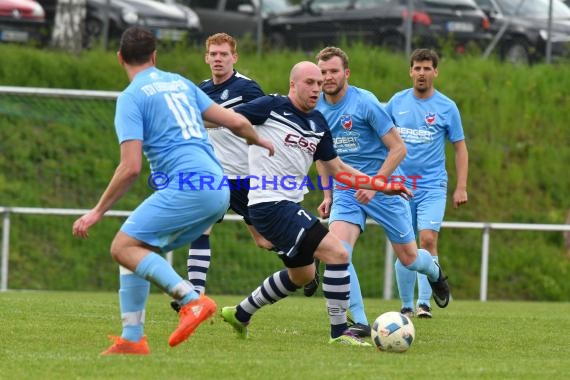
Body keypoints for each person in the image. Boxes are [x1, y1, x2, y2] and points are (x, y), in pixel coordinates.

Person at [72, 26, 274, 355]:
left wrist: (97, 211)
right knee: (136, 247)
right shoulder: (180, 83)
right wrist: (260, 140)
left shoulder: (132, 97)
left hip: (188, 185)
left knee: (122, 246)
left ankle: (191, 300)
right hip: (216, 185)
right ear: (154, 56)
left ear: (120, 58)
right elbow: (235, 122)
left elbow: (130, 167)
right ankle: (133, 337)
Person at [220, 61, 413, 346]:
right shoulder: (271, 106)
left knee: (302, 274)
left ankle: (240, 313)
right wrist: (188, 124)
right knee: (337, 251)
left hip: (286, 205)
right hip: (269, 204)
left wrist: (382, 185)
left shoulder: (318, 123)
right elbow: (223, 118)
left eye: (319, 84)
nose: (316, 88)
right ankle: (339, 333)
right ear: (292, 85)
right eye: (309, 82)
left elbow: (339, 169)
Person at [314, 46, 451, 337]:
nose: (327, 77)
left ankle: (436, 273)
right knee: (338, 253)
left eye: (333, 71)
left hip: (384, 188)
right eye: (323, 72)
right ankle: (362, 322)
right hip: (347, 190)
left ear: (346, 73)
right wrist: (327, 195)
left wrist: (375, 184)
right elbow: (322, 157)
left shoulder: (366, 103)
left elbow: (398, 148)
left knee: (409, 258)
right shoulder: (317, 110)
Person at [170, 33, 272, 313]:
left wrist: (220, 120)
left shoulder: (248, 89)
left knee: (264, 240)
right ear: (206, 57)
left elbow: (260, 121)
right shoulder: (200, 90)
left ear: (234, 58)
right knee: (200, 229)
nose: (218, 58)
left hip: (245, 177)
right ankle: (194, 299)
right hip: (213, 176)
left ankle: (308, 258)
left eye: (223, 54)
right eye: (213, 54)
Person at [385, 48, 468, 318]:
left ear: (435, 72)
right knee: (404, 243)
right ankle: (406, 306)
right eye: (417, 68)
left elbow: (460, 148)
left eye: (427, 68)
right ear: (410, 71)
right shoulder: (396, 103)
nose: (421, 73)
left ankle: (424, 303)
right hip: (399, 185)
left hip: (432, 185)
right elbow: (378, 135)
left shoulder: (447, 107)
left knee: (428, 238)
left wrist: (461, 186)